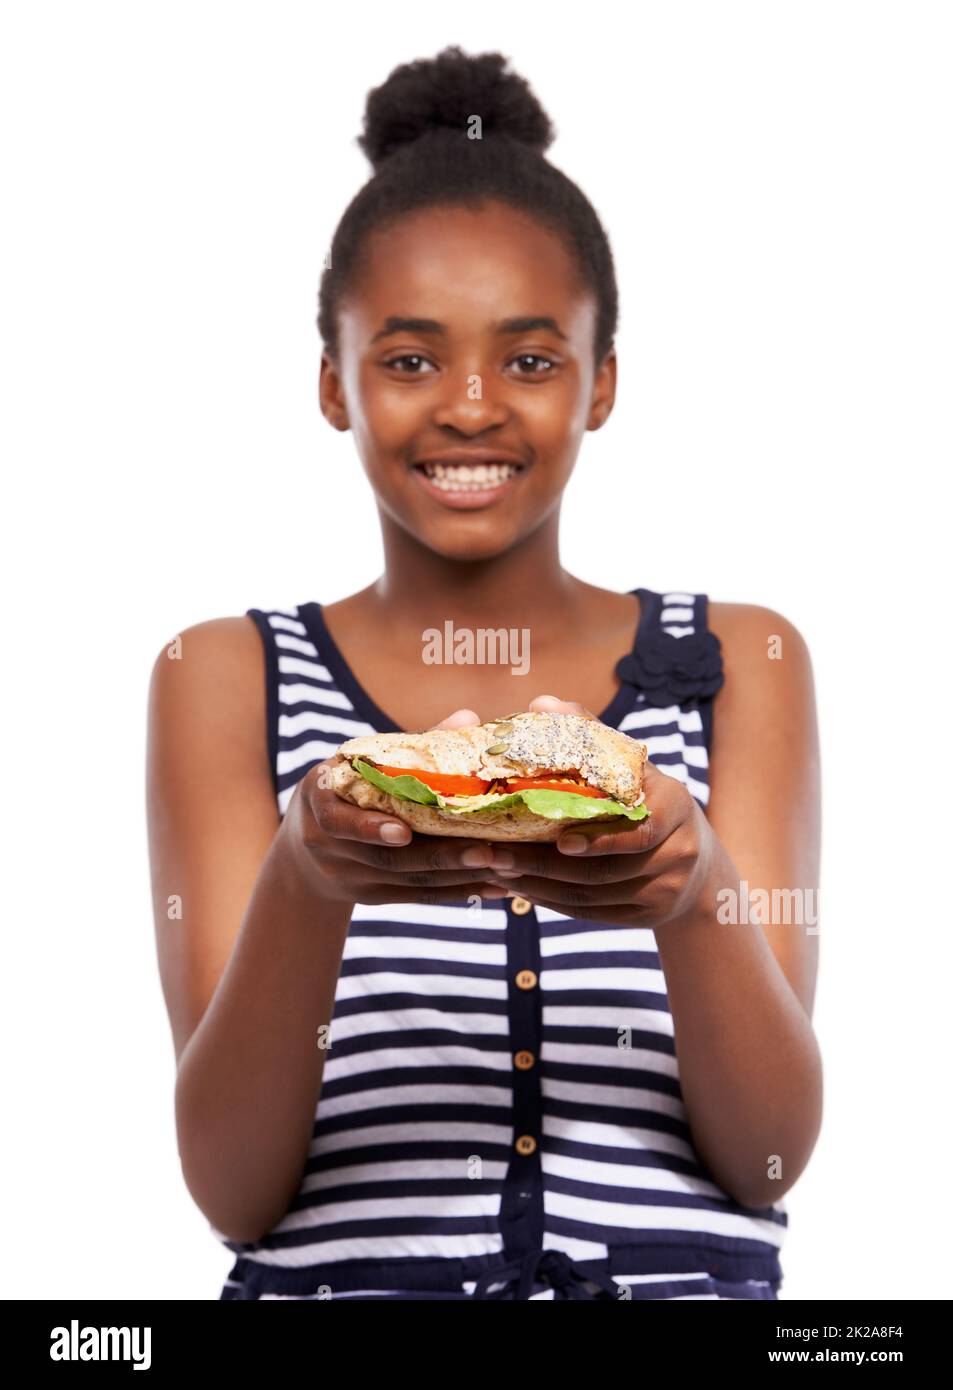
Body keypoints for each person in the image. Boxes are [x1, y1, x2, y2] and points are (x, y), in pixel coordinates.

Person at [146, 45, 822, 1301]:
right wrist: (306, 875)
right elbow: (233, 1189)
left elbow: (767, 1157)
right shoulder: (227, 672)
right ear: (331, 385)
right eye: (407, 359)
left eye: (527, 358)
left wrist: (689, 889)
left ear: (600, 382)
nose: (467, 407)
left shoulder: (734, 660)